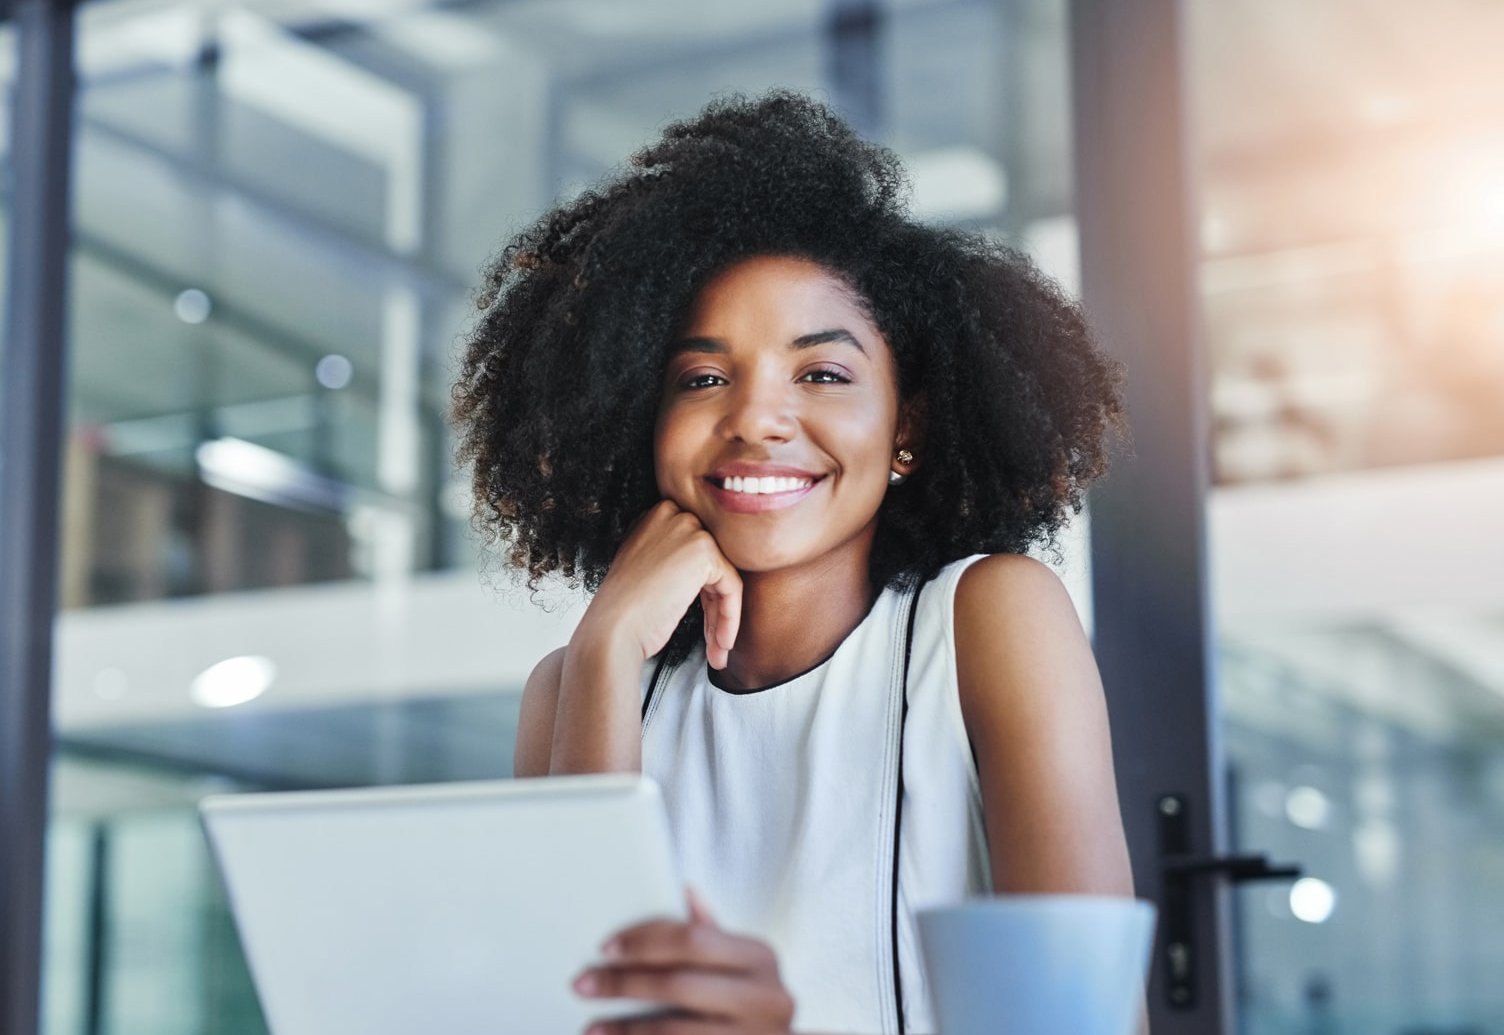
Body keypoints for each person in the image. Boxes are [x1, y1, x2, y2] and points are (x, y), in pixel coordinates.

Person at [449, 91, 1135, 1035]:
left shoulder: (986, 621)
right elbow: (576, 1011)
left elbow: (1093, 1026)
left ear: (908, 430)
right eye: (702, 378)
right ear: (636, 423)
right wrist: (606, 647)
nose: (757, 419)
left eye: (822, 373)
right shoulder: (574, 687)